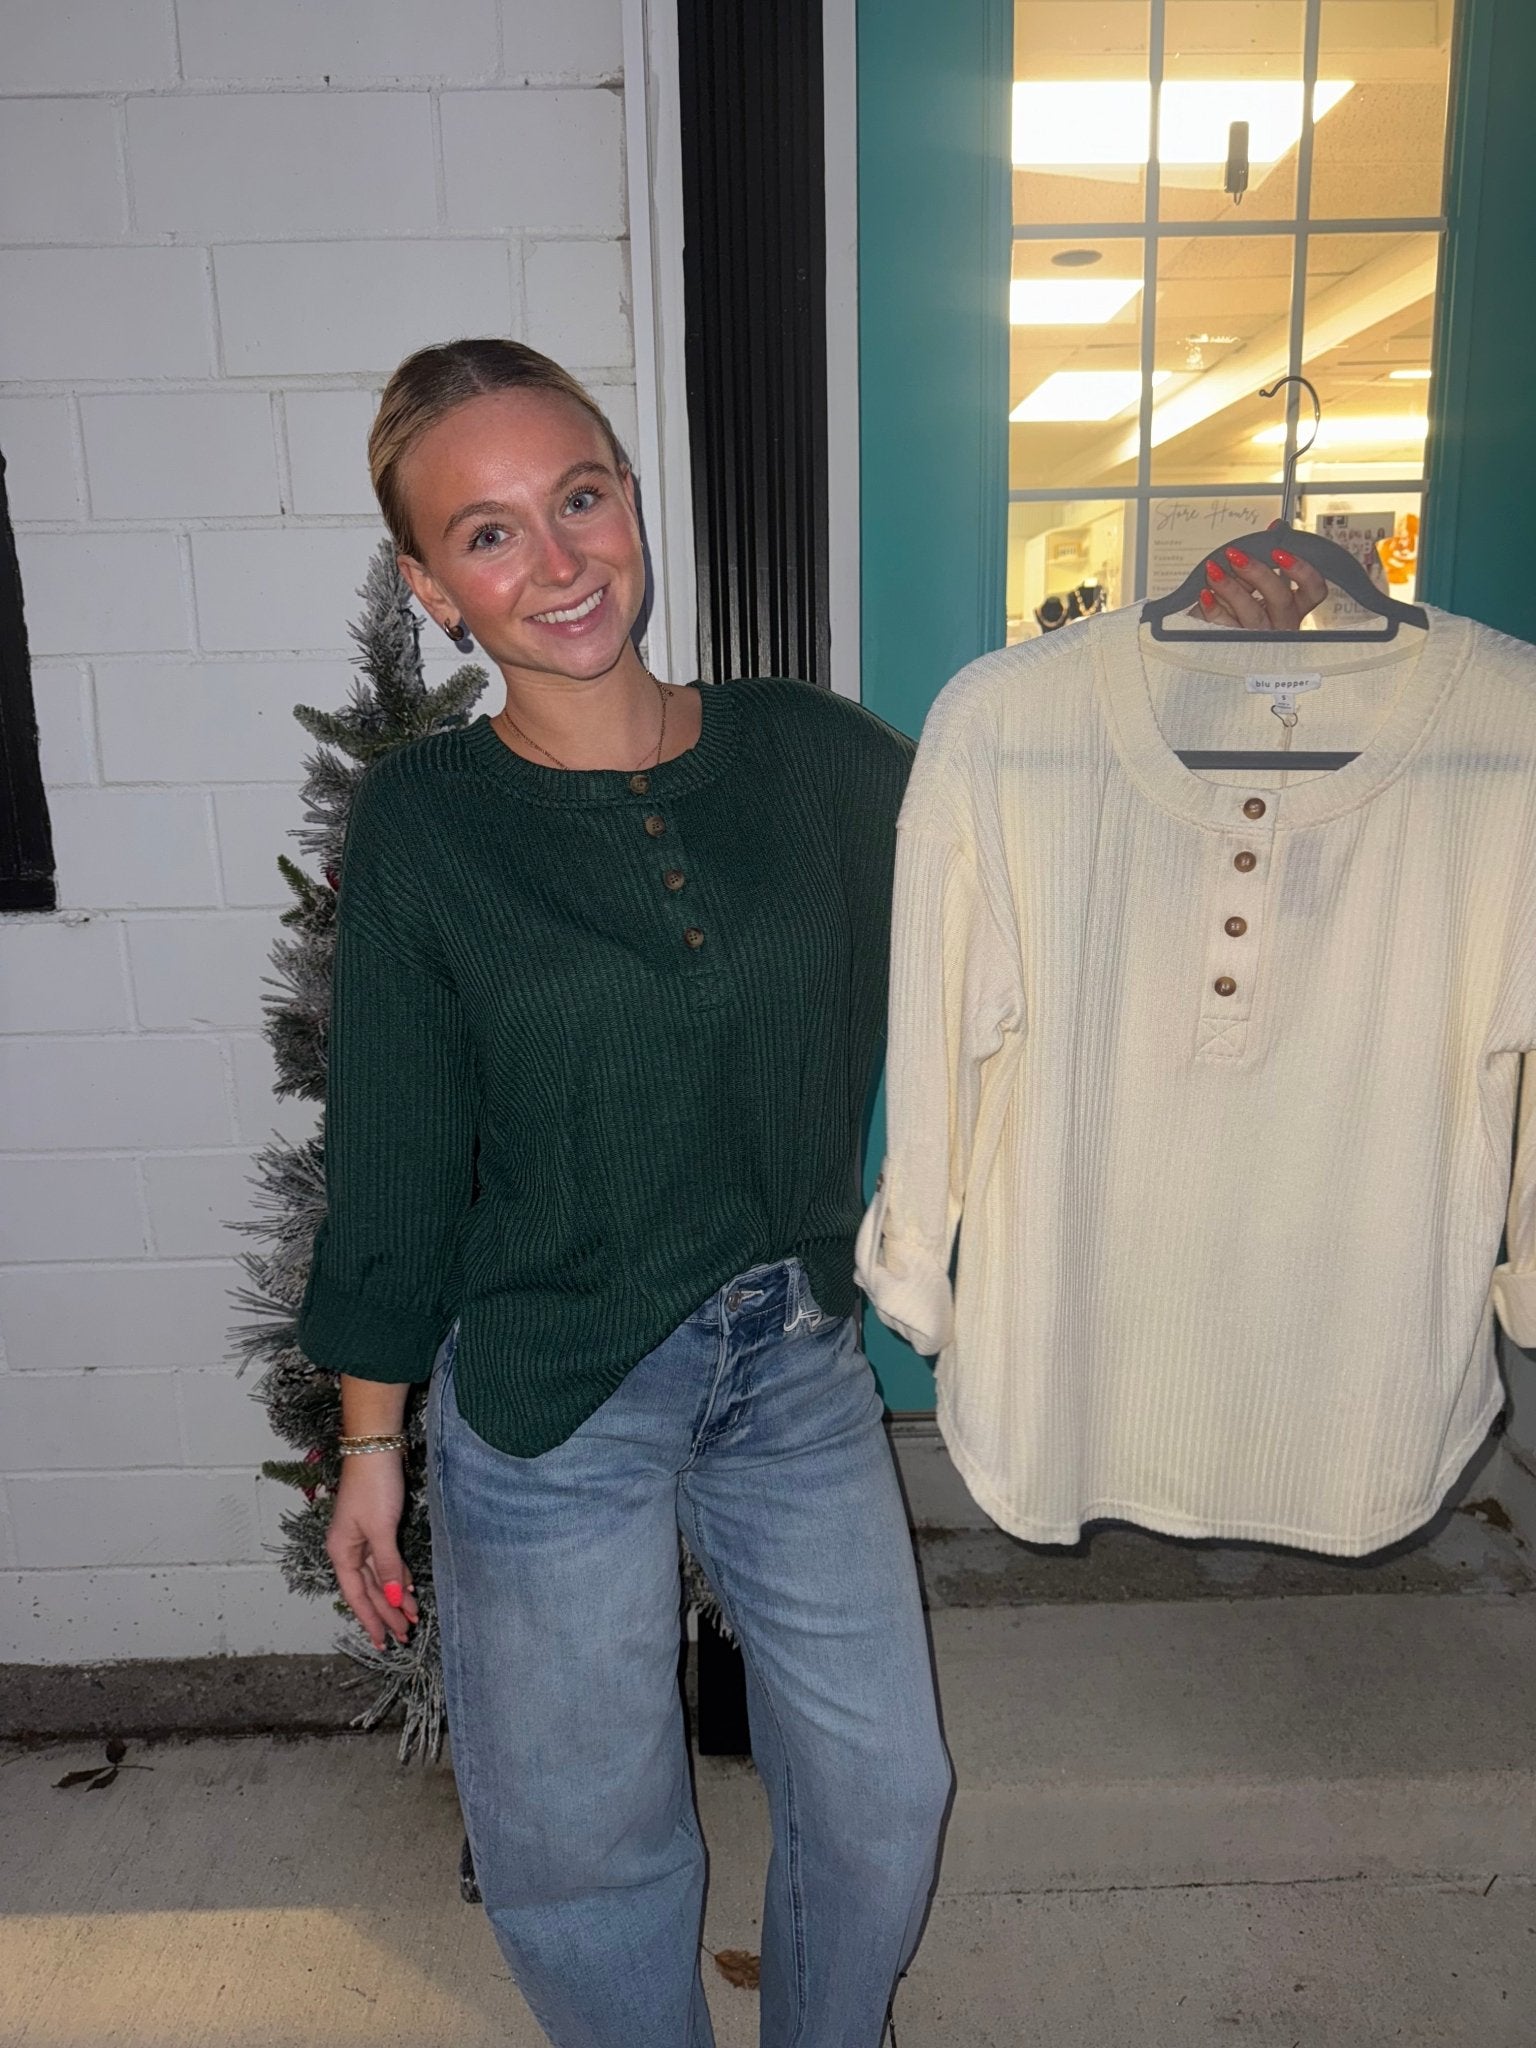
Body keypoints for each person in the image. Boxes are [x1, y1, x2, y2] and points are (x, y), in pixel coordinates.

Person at [298, 336, 1327, 2048]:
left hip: (789, 1363)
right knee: (584, 1845)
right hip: (554, 1396)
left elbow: (1046, 839)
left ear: (632, 499)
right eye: (487, 534)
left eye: (578, 498)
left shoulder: (812, 755)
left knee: (884, 1792)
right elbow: (392, 1151)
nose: (555, 561)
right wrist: (370, 1440)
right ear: (429, 586)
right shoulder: (432, 823)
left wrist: (1208, 673)